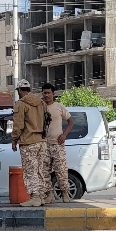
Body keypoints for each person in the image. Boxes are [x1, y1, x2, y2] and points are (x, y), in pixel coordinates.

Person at [12, 79, 49, 207]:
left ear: (19, 90)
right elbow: (47, 120)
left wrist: (14, 140)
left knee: (30, 170)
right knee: (39, 170)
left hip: (28, 142)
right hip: (42, 141)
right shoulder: (41, 103)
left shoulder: (21, 104)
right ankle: (42, 196)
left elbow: (18, 125)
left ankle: (35, 197)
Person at [42, 83, 74, 203]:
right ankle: (49, 195)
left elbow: (71, 121)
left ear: (53, 94)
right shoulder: (40, 107)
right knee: (44, 171)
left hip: (57, 143)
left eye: (48, 93)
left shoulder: (59, 106)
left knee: (61, 170)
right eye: (44, 93)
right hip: (44, 144)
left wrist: (64, 134)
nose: (46, 95)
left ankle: (65, 194)